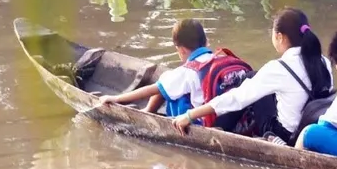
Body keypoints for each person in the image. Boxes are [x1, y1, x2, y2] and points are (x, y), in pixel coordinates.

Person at [172, 8, 333, 142]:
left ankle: (219, 129)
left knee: (248, 81)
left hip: (285, 134)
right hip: (309, 125)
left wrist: (190, 114)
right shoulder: (323, 61)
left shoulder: (279, 68)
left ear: (279, 37)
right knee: (254, 77)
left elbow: (237, 98)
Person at [95, 18, 241, 119]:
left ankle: (148, 112)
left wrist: (115, 98)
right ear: (206, 42)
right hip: (231, 116)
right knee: (168, 81)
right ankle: (149, 111)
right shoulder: (221, 58)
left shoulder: (188, 71)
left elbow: (151, 89)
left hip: (202, 120)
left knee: (165, 84)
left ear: (181, 50)